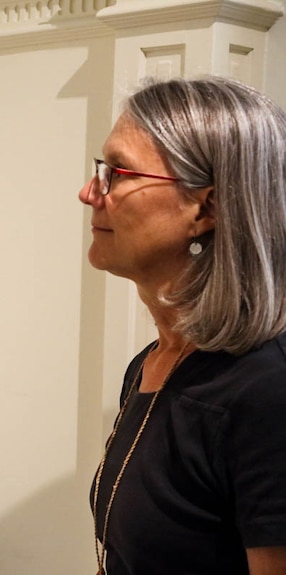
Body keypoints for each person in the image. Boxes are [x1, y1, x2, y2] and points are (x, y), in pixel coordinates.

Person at [80, 76, 286, 575]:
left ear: (207, 207)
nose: (89, 193)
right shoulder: (150, 365)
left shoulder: (268, 391)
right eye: (99, 170)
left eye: (118, 173)